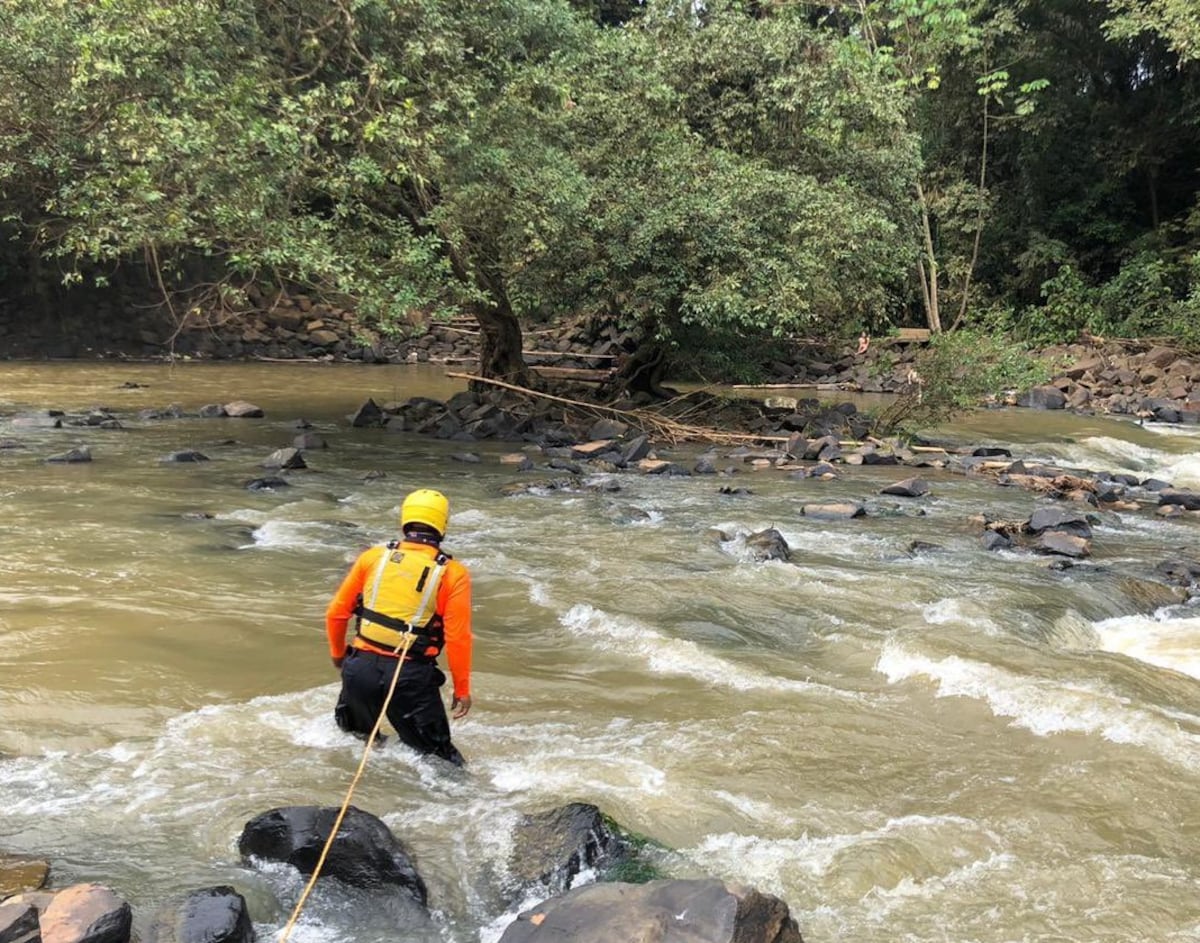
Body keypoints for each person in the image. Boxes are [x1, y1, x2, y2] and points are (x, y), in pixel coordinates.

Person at [325, 488, 472, 766]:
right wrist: (462, 689)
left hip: (359, 671)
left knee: (356, 744)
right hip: (410, 677)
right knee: (442, 763)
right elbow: (458, 638)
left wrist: (337, 654)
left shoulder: (372, 557)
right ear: (443, 524)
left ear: (405, 520)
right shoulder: (452, 573)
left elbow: (336, 613)